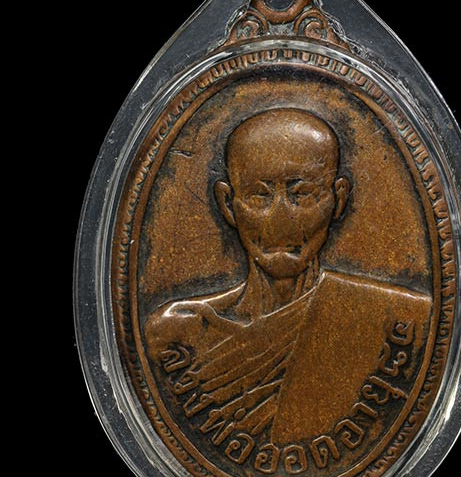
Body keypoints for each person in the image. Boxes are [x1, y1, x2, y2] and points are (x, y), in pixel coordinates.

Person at [146, 108, 431, 446]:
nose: (280, 220)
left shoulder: (403, 318)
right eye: (259, 195)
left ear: (338, 199)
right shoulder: (174, 334)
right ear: (228, 203)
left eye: (302, 194)